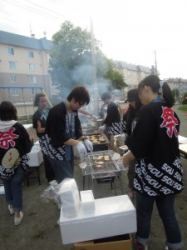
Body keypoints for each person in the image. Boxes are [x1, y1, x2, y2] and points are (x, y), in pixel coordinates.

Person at [123, 75, 183, 250]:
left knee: (143, 213)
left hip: (151, 172)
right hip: (170, 171)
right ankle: (175, 245)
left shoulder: (148, 110)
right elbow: (166, 139)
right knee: (168, 214)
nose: (139, 97)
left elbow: (139, 146)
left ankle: (141, 243)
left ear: (146, 88)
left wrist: (124, 159)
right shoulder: (170, 111)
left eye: (140, 92)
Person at [41, 86, 93, 183]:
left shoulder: (74, 111)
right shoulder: (57, 111)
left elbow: (77, 128)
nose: (80, 107)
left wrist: (84, 139)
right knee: (65, 181)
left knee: (69, 176)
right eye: (80, 104)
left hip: (67, 150)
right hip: (56, 152)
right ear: (73, 99)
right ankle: (64, 197)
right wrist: (77, 143)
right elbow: (59, 137)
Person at [0, 101, 32, 225]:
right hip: (18, 162)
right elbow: (27, 146)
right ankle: (18, 213)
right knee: (16, 184)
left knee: (7, 183)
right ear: (13, 112)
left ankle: (11, 206)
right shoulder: (18, 126)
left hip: (3, 165)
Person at [123, 89, 142, 198]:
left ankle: (139, 188)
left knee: (140, 170)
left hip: (142, 148)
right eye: (129, 101)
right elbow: (127, 129)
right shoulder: (129, 112)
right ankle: (131, 188)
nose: (130, 103)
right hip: (132, 147)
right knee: (131, 169)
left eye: (132, 101)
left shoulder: (144, 111)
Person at [32, 93, 55, 182]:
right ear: (37, 102)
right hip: (44, 141)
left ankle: (56, 176)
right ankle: (50, 179)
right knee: (48, 160)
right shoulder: (36, 115)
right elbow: (39, 130)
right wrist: (51, 127)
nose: (44, 103)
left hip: (53, 139)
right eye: (42, 101)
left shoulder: (50, 110)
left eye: (45, 101)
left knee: (55, 158)